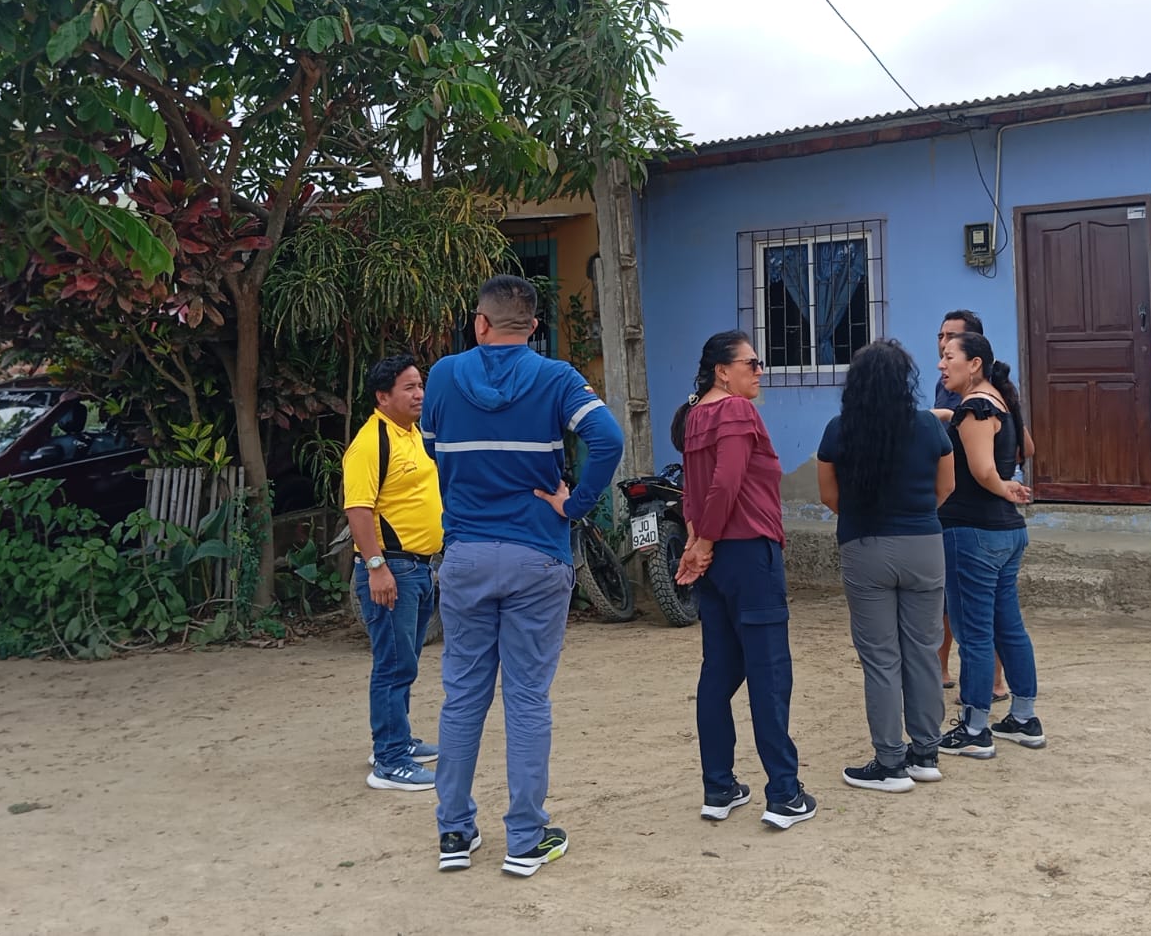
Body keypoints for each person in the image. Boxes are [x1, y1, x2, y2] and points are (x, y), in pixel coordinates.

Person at [422, 275, 624, 878]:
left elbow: (432, 447)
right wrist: (575, 504)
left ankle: (454, 832)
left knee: (463, 695)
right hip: (537, 553)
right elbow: (608, 439)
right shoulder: (556, 377)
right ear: (533, 327)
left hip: (465, 555)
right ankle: (526, 839)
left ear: (479, 323)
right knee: (528, 697)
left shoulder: (442, 376)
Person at [672, 331, 816, 831]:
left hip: (715, 557)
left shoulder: (696, 416)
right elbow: (726, 482)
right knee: (769, 672)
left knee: (719, 669)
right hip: (748, 552)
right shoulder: (735, 411)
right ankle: (784, 793)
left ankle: (719, 787)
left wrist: (697, 542)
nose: (759, 371)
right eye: (750, 363)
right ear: (722, 371)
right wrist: (704, 542)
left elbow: (693, 490)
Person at [816, 340, 955, 793]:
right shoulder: (929, 426)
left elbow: (829, 496)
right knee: (924, 649)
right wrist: (915, 518)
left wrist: (866, 519)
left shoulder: (839, 430)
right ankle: (925, 754)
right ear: (904, 380)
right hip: (925, 545)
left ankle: (890, 763)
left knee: (880, 658)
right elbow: (946, 488)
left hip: (865, 546)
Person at [935, 330, 1047, 759]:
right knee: (1007, 626)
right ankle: (1023, 717)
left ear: (974, 363)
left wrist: (1003, 487)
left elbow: (983, 470)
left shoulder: (976, 408)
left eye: (949, 356)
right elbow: (1025, 447)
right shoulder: (1000, 402)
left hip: (973, 532)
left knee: (975, 633)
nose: (942, 364)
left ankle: (975, 727)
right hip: (1005, 533)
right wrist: (949, 416)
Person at [345, 355, 443, 794]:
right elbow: (358, 509)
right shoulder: (370, 443)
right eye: (409, 387)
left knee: (406, 660)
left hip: (420, 567)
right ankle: (389, 760)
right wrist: (376, 567)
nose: (419, 394)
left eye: (420, 385)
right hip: (392, 569)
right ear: (383, 396)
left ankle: (397, 740)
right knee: (392, 664)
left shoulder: (414, 434)